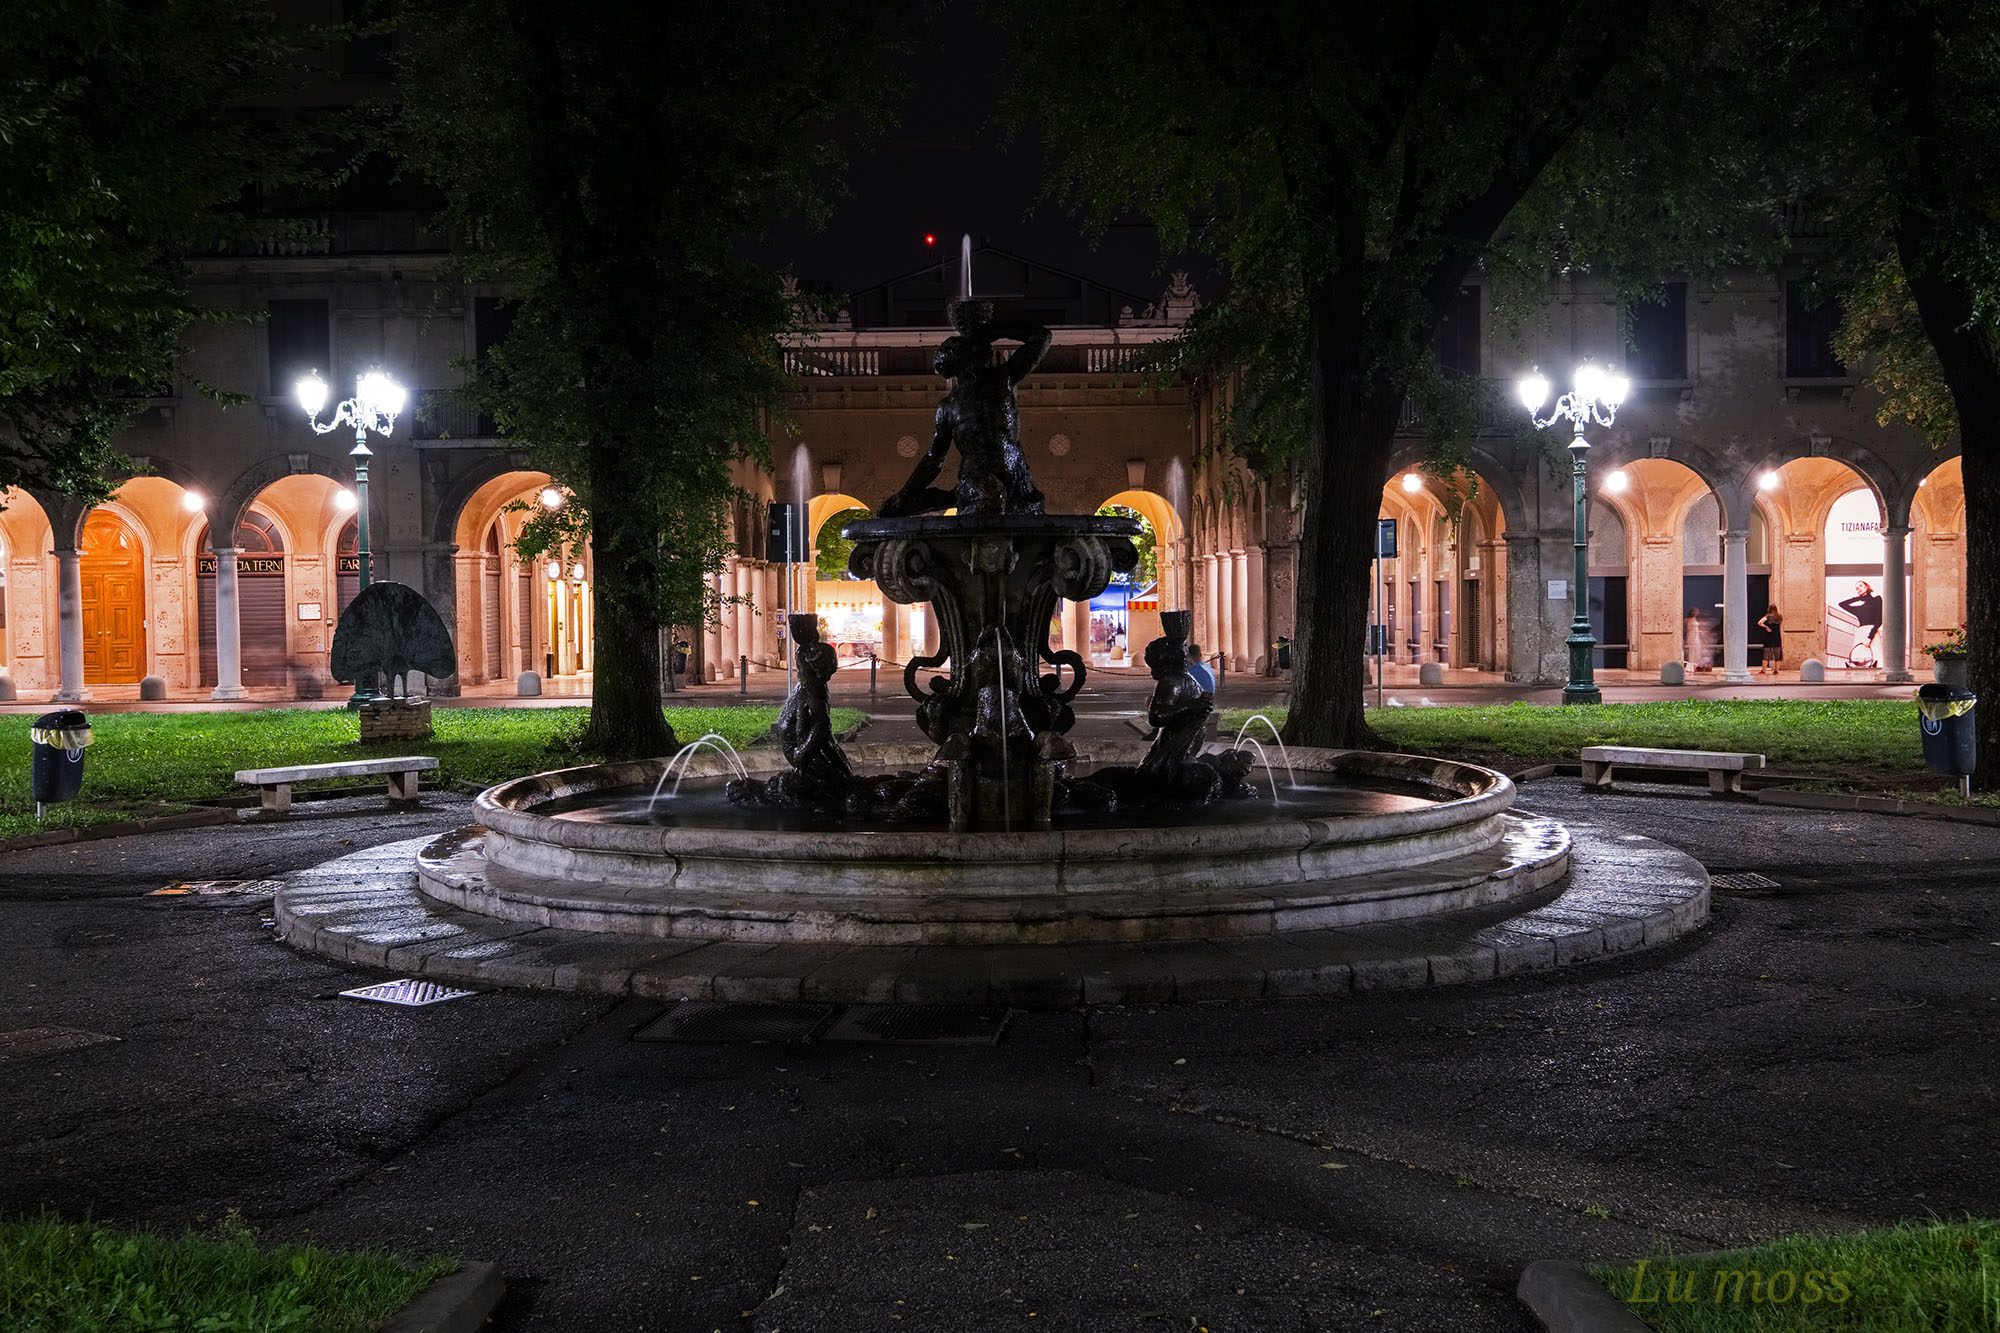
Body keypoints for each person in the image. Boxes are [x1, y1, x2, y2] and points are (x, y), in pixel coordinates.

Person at [1838, 581, 1883, 665]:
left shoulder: (1877, 599)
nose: (1859, 588)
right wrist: (1858, 598)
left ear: (1867, 587)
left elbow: (1879, 620)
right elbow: (1841, 604)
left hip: (1872, 631)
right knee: (1858, 659)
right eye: (1857, 588)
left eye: (1861, 586)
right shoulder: (1859, 609)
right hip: (1860, 632)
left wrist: (1870, 637)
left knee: (1877, 657)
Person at [1756, 604, 1783, 676]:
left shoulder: (1767, 616)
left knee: (1766, 653)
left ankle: (1763, 670)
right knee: (1777, 654)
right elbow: (1780, 626)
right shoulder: (1779, 617)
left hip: (1769, 636)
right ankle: (1776, 670)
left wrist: (1766, 627)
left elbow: (1759, 622)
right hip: (1777, 636)